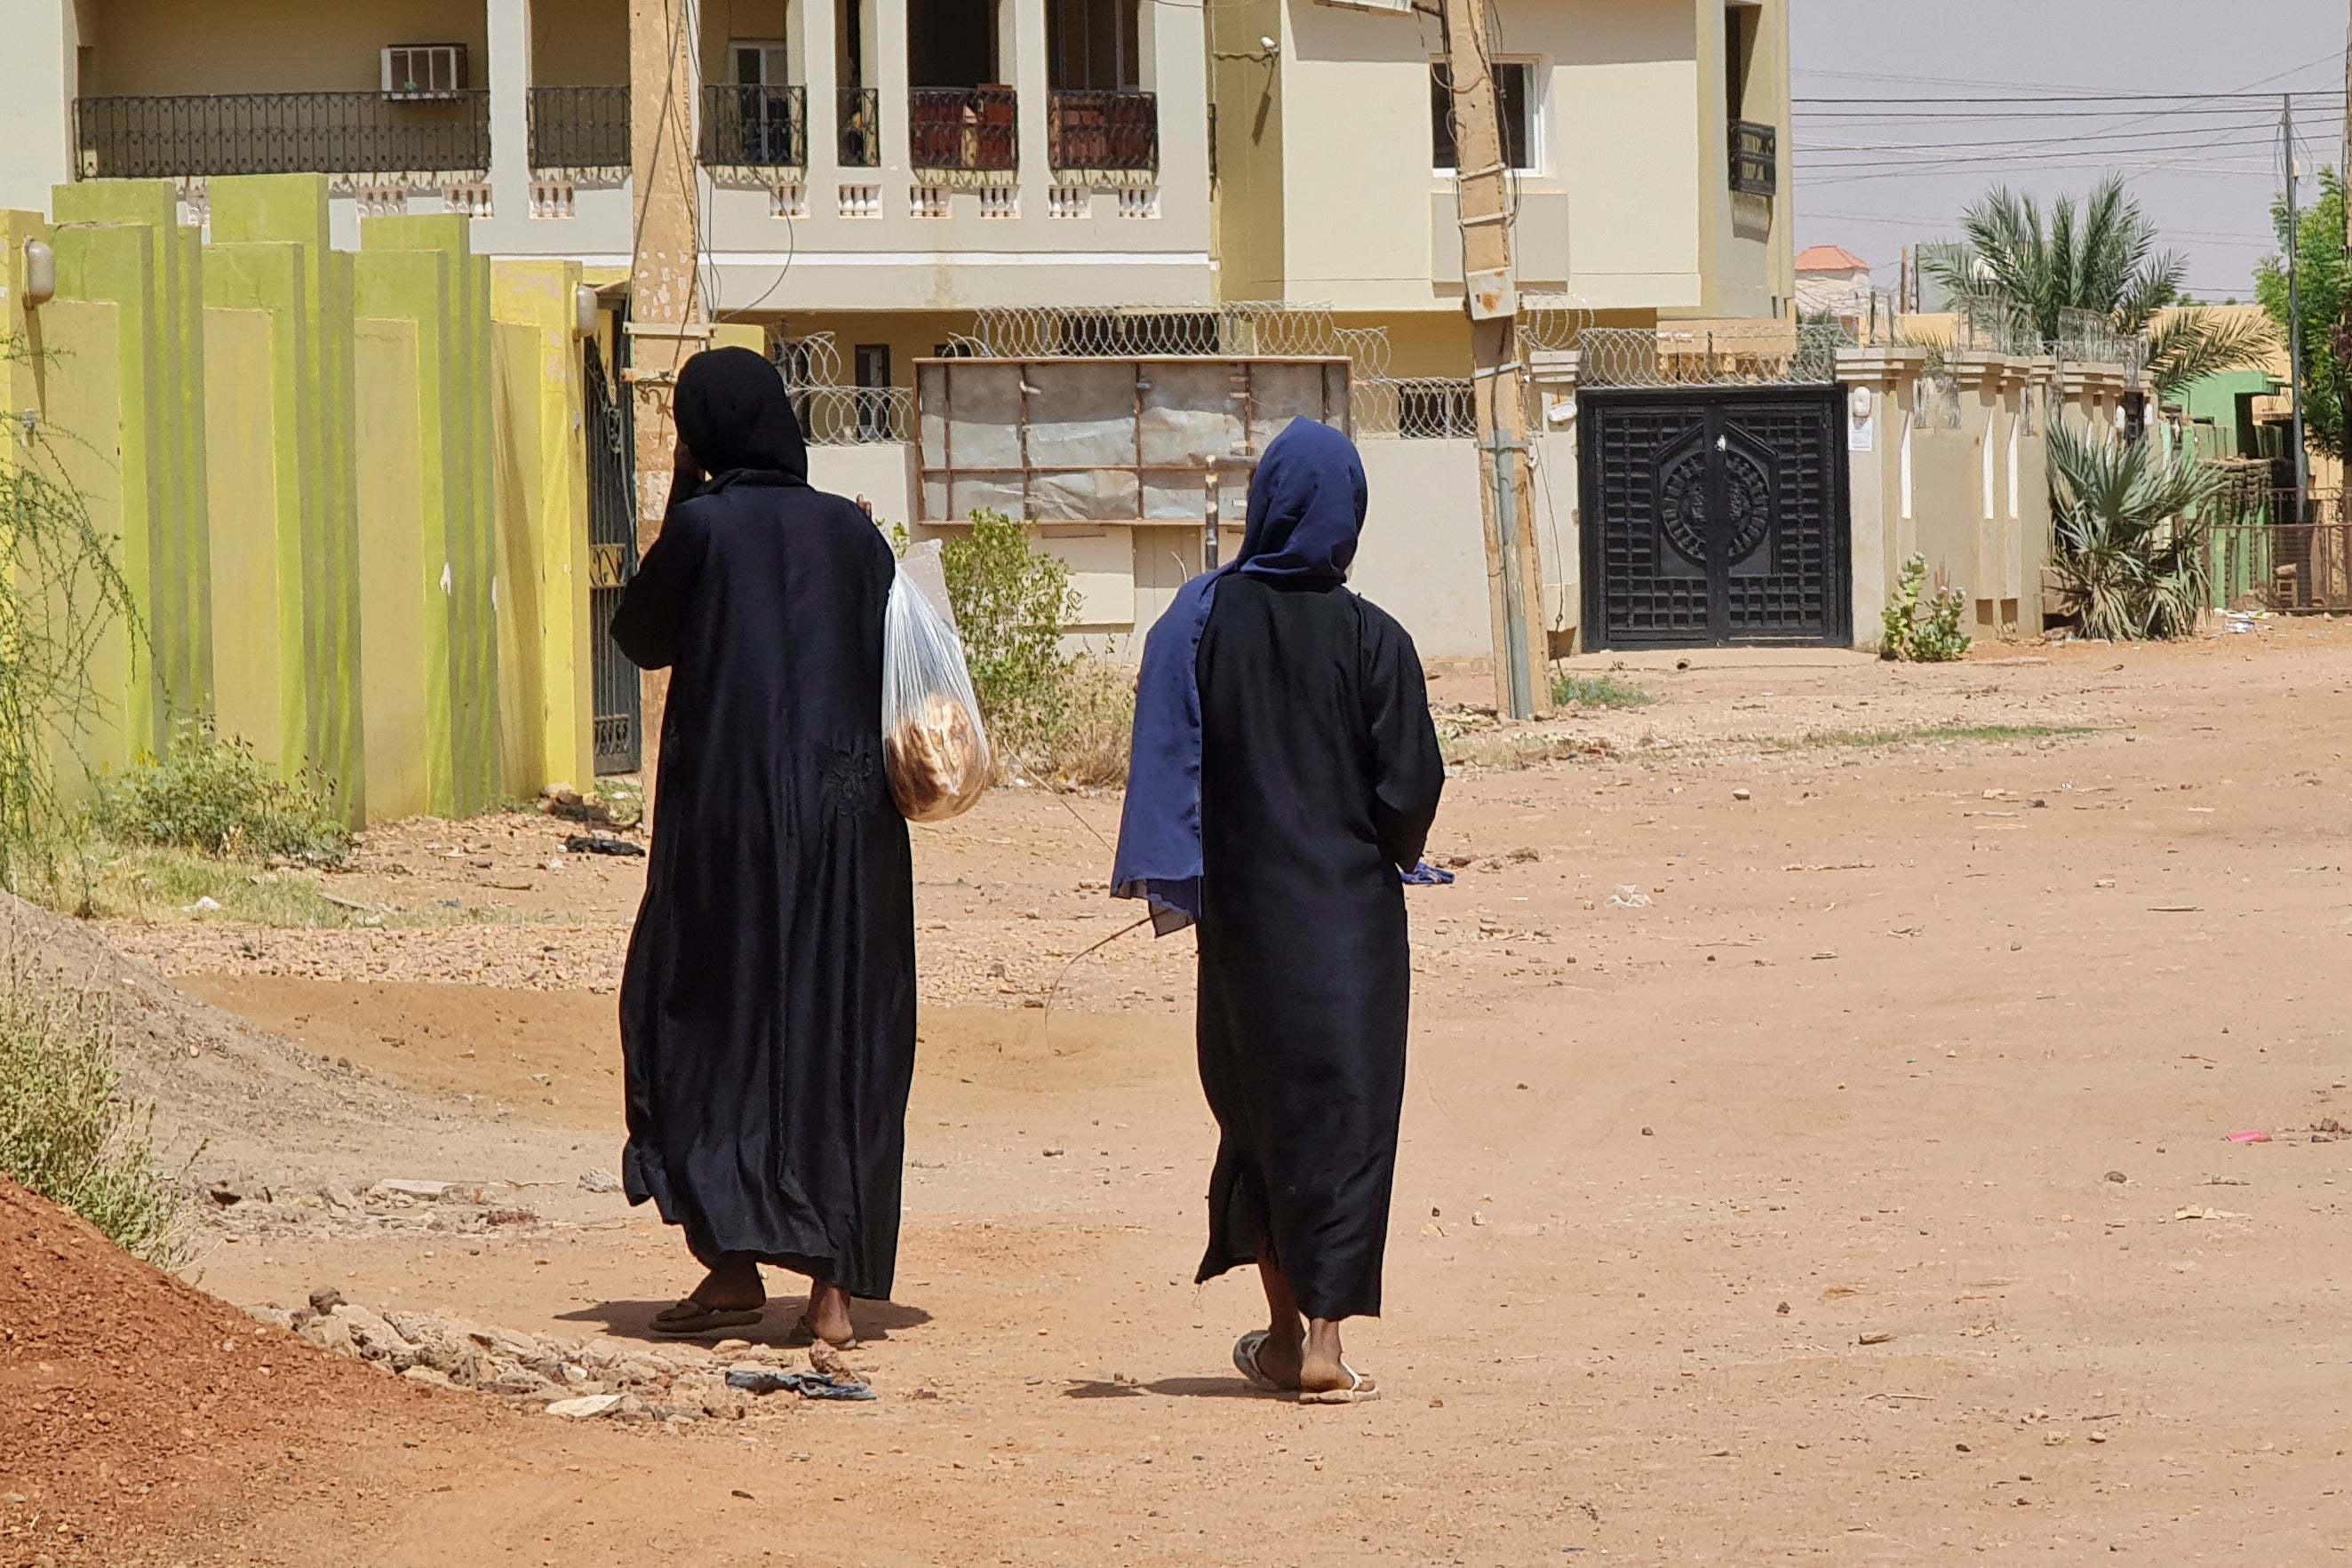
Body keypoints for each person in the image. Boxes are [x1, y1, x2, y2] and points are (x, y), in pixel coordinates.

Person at [1111, 418, 1445, 1404]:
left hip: (1246, 928)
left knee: (1257, 1120)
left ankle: (1283, 1327)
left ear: (1265, 504)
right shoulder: (1375, 638)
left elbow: (1181, 769)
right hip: (1350, 932)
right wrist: (1394, 854)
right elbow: (1409, 789)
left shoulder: (1204, 624)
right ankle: (1327, 1343)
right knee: (1345, 1123)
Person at [609, 346, 915, 1347]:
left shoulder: (701, 528)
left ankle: (732, 1266)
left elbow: (641, 637)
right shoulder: (855, 537)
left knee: (703, 1017)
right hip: (846, 825)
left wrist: (683, 496)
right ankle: (830, 1293)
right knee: (836, 1033)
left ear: (706, 433)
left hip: (728, 827)